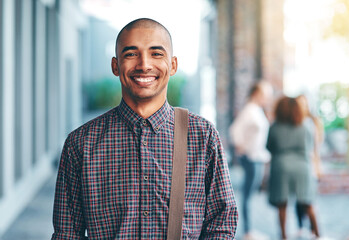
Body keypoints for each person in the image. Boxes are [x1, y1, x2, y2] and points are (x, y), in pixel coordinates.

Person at [51, 18, 238, 239]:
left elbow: (222, 221)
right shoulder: (81, 143)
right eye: (131, 54)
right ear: (115, 65)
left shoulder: (202, 135)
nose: (144, 65)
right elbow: (66, 233)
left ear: (173, 65)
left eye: (156, 54)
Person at [266, 96, 320, 240]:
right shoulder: (305, 126)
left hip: (281, 166)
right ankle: (317, 234)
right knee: (307, 201)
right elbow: (310, 146)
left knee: (281, 204)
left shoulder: (274, 127)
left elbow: (269, 147)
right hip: (302, 166)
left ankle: (283, 235)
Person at [229, 81, 273, 240]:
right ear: (256, 93)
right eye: (265, 94)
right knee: (247, 196)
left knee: (250, 196)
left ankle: (249, 230)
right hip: (251, 158)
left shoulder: (256, 110)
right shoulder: (249, 110)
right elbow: (235, 130)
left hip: (257, 157)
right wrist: (240, 146)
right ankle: (248, 231)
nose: (267, 98)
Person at [295, 94, 324, 236]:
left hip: (310, 164)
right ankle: (300, 227)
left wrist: (317, 167)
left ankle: (315, 231)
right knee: (299, 198)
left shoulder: (313, 122)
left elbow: (316, 147)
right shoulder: (294, 121)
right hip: (298, 165)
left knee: (309, 198)